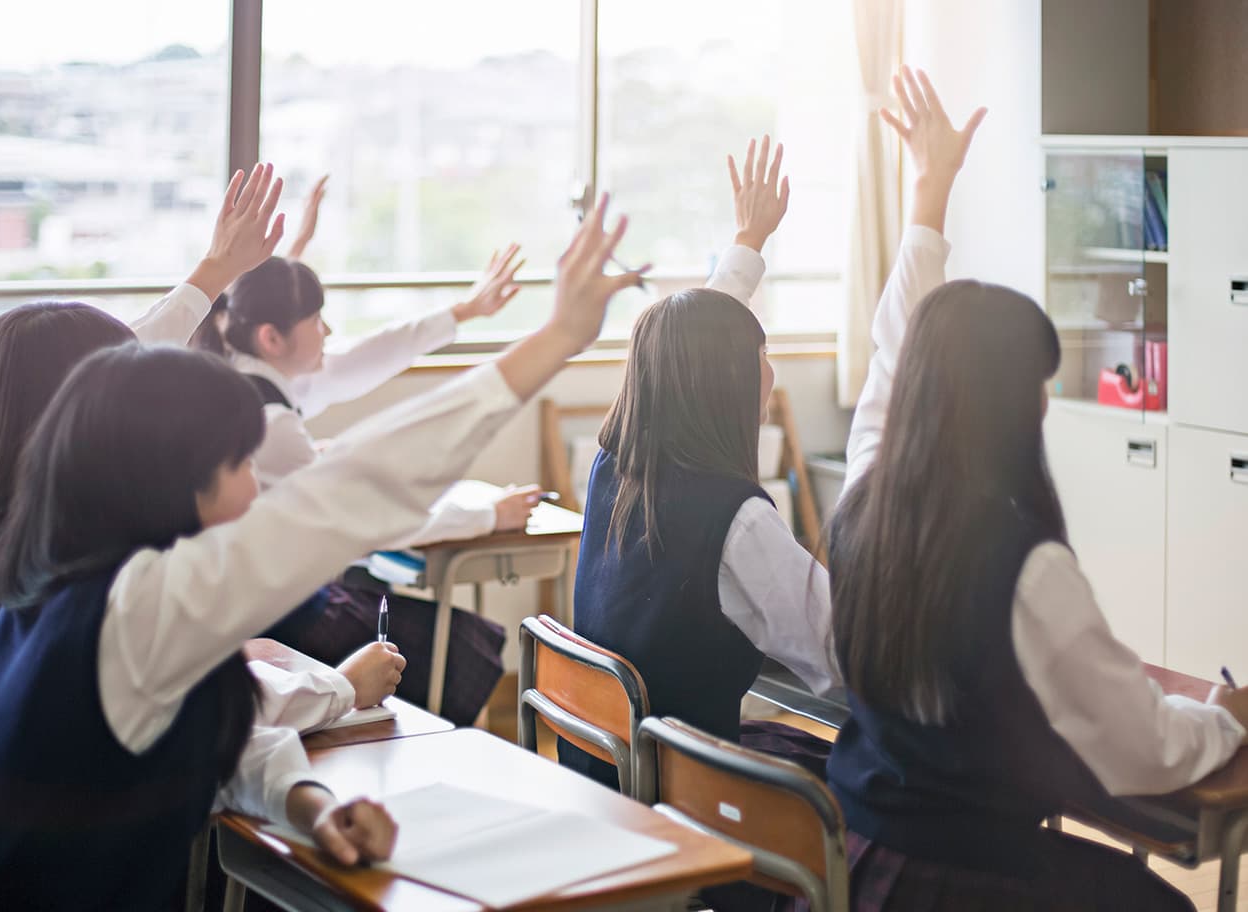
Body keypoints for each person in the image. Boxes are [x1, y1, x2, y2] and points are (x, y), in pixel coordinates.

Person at [0, 198, 643, 911]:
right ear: (173, 479)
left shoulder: (78, 577)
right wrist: (554, 341)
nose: (256, 488)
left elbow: (211, 737)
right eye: (240, 463)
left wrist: (307, 801)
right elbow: (349, 489)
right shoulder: (136, 606)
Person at [0, 164, 402, 887]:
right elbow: (213, 714)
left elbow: (207, 725)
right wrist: (344, 689)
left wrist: (215, 270)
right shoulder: (70, 575)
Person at [823, 67, 1248, 911]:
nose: (1048, 401)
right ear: (1008, 404)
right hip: (962, 883)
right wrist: (1228, 713)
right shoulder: (1022, 567)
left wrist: (928, 196)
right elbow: (1147, 750)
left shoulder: (862, 500)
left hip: (858, 858)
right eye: (1038, 385)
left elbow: (891, 354)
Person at [190, 182, 542, 724]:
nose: (328, 332)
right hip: (277, 611)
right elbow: (368, 518)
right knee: (467, 645)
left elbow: (366, 357)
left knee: (403, 609)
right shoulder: (271, 419)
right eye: (315, 320)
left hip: (266, 598)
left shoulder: (237, 374)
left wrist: (465, 310)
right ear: (271, 337)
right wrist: (489, 513)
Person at [563, 135, 838, 797]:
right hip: (688, 796)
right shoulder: (736, 521)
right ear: (730, 382)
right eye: (759, 355)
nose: (769, 372)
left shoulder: (615, 465)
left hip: (611, 775)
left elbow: (682, 343)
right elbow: (841, 654)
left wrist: (750, 239)